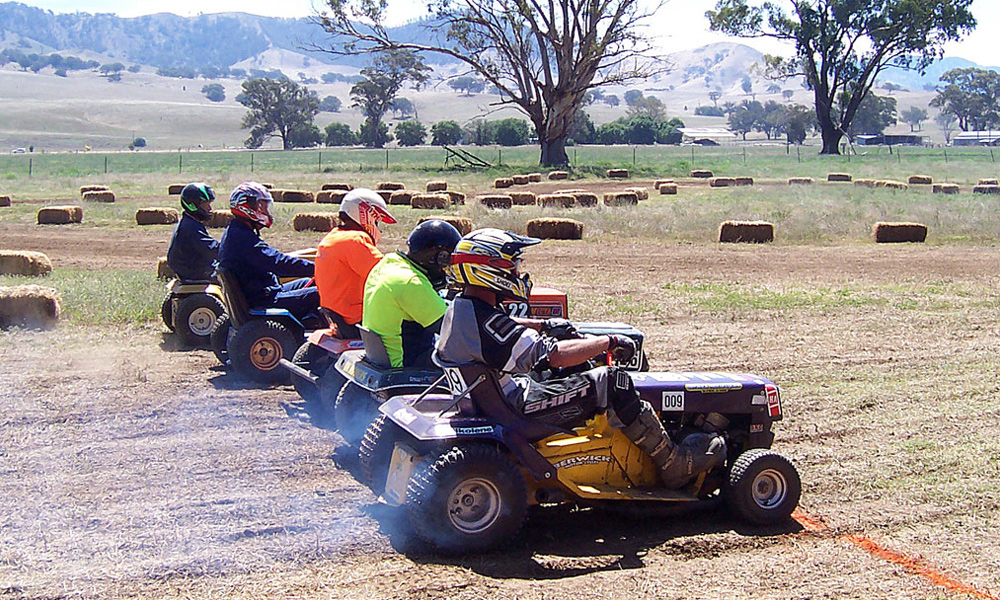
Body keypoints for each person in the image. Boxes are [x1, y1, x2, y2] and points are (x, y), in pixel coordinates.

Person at [435, 228, 727, 490]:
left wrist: (545, 325)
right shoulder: (487, 324)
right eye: (514, 266)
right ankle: (673, 464)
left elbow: (504, 329)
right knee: (612, 381)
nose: (518, 273)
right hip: (517, 411)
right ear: (490, 270)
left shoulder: (462, 309)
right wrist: (608, 341)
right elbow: (554, 355)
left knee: (575, 368)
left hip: (494, 400)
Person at [362, 220, 462, 368]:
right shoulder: (411, 282)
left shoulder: (387, 264)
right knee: (473, 359)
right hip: (406, 361)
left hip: (383, 356)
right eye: (446, 265)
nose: (445, 270)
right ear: (440, 257)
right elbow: (451, 331)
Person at [217, 181, 319, 321]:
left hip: (263, 292)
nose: (265, 211)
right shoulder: (243, 239)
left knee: (310, 281)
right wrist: (318, 268)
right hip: (264, 300)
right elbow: (278, 263)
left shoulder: (235, 232)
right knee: (323, 292)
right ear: (248, 207)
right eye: (262, 206)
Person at [314, 188, 397, 338]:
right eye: (376, 222)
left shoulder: (332, 237)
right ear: (366, 215)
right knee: (415, 324)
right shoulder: (355, 240)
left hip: (336, 314)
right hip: (355, 317)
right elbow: (387, 274)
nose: (377, 227)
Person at [166, 182, 219, 281]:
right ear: (192, 205)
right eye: (205, 204)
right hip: (197, 273)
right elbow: (213, 250)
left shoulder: (188, 222)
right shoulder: (190, 228)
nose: (210, 208)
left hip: (192, 270)